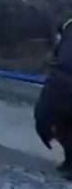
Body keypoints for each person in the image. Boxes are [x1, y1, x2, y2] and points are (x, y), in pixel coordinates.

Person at [34, 17, 72, 178]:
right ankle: (69, 156)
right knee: (44, 117)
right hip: (59, 78)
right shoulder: (68, 25)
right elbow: (58, 49)